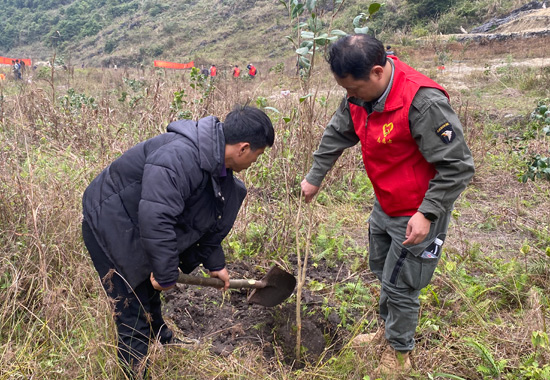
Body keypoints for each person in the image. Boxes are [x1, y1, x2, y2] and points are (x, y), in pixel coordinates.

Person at [300, 34, 474, 377]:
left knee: (402, 282)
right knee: (383, 269)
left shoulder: (423, 103)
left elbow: (458, 165)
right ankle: (387, 331)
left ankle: (399, 354)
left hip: (419, 208)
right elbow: (338, 132)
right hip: (386, 201)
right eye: (345, 90)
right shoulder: (358, 96)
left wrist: (427, 214)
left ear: (377, 72)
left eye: (354, 89)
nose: (350, 97)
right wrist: (315, 176)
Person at [82, 105, 274, 379]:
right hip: (109, 222)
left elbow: (206, 214)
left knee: (150, 291)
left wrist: (214, 262)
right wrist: (164, 271)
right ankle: (136, 373)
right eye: (258, 154)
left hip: (138, 222)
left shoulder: (217, 166)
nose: (256, 161)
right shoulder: (179, 157)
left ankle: (163, 338)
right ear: (243, 148)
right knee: (131, 310)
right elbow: (156, 217)